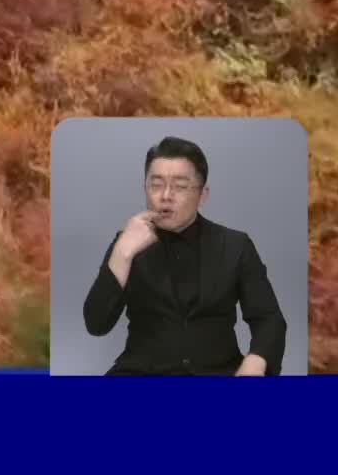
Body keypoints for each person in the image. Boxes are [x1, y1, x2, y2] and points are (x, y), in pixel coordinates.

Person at [82, 135, 286, 375]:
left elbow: (269, 319)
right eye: (156, 185)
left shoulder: (235, 245)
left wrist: (256, 361)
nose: (165, 195)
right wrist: (122, 253)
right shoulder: (126, 242)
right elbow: (96, 324)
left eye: (180, 186)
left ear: (202, 195)